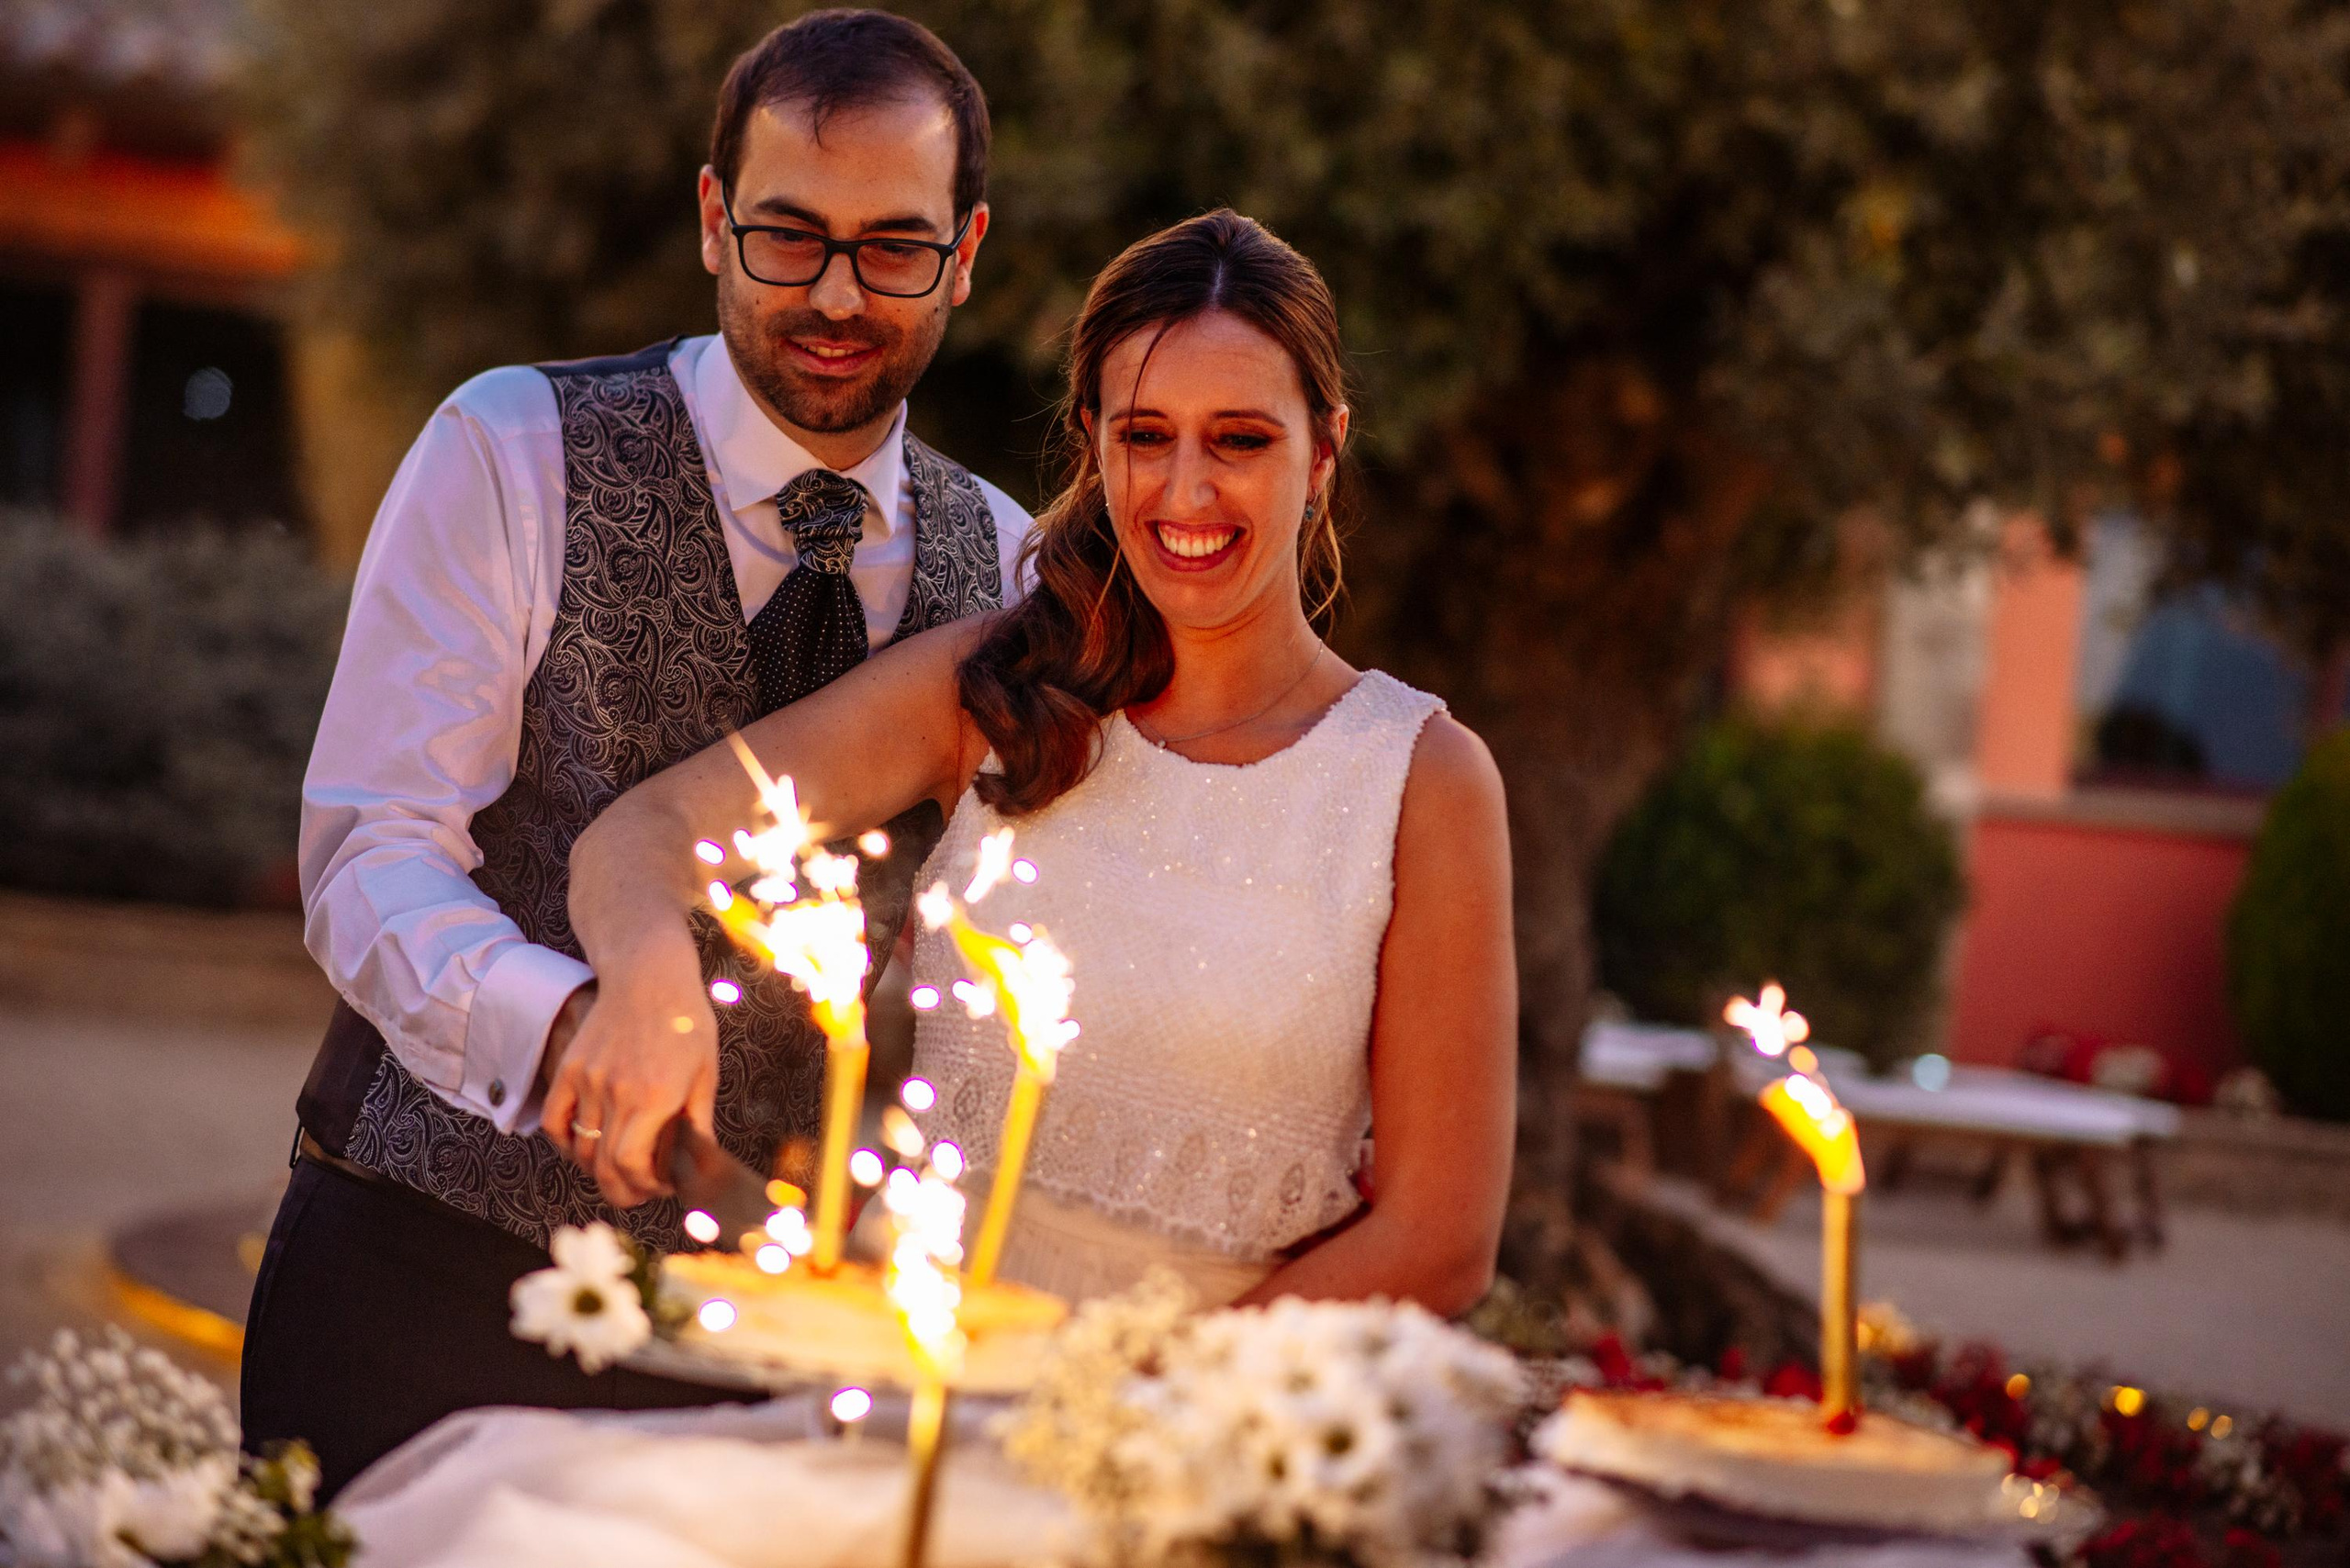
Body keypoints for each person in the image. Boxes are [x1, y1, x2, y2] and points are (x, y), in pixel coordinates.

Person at [242, 10, 1032, 1496]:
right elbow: (371, 854)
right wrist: (558, 1027)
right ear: (712, 220)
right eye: (790, 237)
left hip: (787, 1366)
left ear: (968, 249)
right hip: (434, 1277)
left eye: (897, 247)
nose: (840, 297)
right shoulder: (512, 446)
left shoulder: (1008, 559)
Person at [564, 210, 1516, 1312]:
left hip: (1197, 1427)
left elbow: (1438, 1237)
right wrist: (646, 977)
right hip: (913, 1376)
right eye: (1144, 436)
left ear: (1324, 450)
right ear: (1091, 440)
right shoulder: (991, 692)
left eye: (1241, 440)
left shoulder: (1419, 780)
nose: (1186, 491)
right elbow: (645, 832)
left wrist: (1115, 1406)